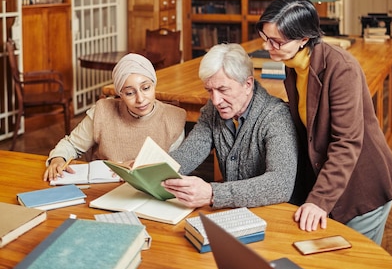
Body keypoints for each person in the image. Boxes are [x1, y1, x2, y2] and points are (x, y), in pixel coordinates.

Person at [256, 0, 392, 244]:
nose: (268, 47)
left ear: (304, 39)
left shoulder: (341, 68)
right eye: (265, 38)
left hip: (363, 186)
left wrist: (318, 201)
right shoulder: (292, 63)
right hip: (333, 181)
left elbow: (346, 143)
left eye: (276, 42)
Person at [162, 43, 298, 209]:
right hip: (235, 211)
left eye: (222, 89)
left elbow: (280, 184)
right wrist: (150, 169)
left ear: (248, 84)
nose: (215, 100)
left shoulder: (276, 116)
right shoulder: (212, 111)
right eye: (209, 90)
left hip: (275, 213)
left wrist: (213, 194)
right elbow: (188, 154)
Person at [43, 53, 186, 182]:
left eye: (146, 88)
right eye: (130, 93)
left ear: (154, 84)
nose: (140, 99)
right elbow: (71, 145)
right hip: (101, 187)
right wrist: (57, 159)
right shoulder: (102, 112)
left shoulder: (174, 119)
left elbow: (172, 169)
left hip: (148, 192)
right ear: (120, 94)